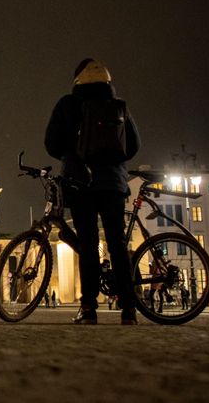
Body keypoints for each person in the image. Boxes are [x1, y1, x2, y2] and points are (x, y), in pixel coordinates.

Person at [45, 58, 141, 325]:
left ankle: (88, 307)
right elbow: (133, 145)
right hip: (113, 184)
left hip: (81, 182)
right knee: (117, 244)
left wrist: (72, 153)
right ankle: (129, 308)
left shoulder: (67, 104)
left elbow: (50, 143)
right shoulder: (118, 106)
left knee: (87, 245)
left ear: (77, 80)